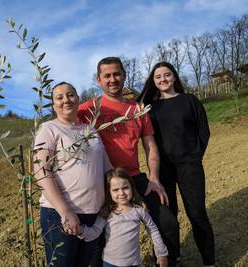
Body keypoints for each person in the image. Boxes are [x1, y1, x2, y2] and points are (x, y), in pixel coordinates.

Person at [78, 57, 180, 267]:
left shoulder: (137, 110)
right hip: (101, 181)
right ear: (98, 80)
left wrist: (153, 178)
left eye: (117, 74)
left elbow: (150, 146)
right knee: (99, 236)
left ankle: (167, 261)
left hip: (133, 178)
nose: (112, 79)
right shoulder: (87, 110)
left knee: (168, 223)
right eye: (107, 76)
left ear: (124, 76)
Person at [137, 62, 215, 267]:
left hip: (189, 165)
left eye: (167, 74)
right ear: (153, 82)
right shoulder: (149, 108)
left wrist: (195, 156)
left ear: (174, 77)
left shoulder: (190, 100)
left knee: (197, 213)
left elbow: (203, 131)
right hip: (163, 169)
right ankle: (174, 259)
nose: (163, 79)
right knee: (169, 215)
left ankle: (209, 262)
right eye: (158, 76)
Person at [34, 82, 112, 267]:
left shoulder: (90, 131)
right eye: (59, 97)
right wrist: (65, 211)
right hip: (59, 214)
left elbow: (107, 168)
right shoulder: (48, 129)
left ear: (78, 99)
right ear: (54, 105)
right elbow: (40, 171)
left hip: (93, 214)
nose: (65, 100)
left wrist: (121, 195)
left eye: (70, 95)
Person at [78, 168, 168, 267]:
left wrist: (161, 253)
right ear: (109, 192)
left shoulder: (139, 210)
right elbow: (95, 232)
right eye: (116, 190)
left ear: (131, 187)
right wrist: (81, 230)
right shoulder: (106, 212)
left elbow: (153, 230)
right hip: (109, 263)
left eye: (125, 188)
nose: (121, 193)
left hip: (133, 263)